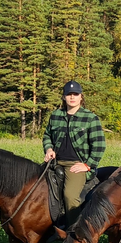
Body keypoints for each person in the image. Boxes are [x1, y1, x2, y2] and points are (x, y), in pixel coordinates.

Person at [43, 80, 106, 223]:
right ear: (64, 97)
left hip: (76, 165)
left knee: (70, 196)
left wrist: (88, 165)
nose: (72, 97)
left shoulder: (90, 118)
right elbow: (47, 136)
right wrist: (49, 149)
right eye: (69, 94)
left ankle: (73, 233)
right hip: (54, 162)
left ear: (81, 97)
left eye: (75, 94)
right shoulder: (56, 115)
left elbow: (99, 145)